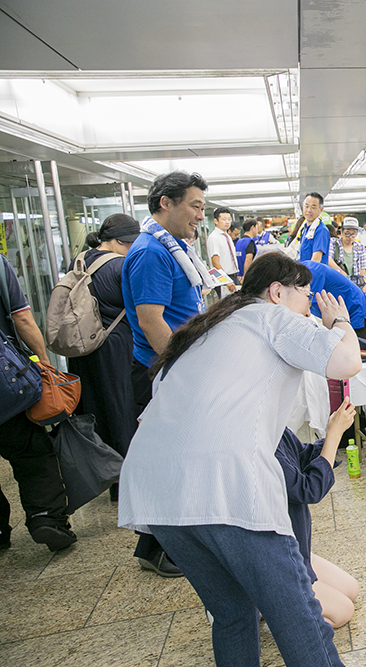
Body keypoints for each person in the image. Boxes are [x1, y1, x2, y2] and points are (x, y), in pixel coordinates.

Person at [117, 252, 360, 667]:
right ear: (277, 291)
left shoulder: (206, 330)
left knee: (231, 616)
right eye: (305, 292)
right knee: (300, 619)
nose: (310, 301)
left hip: (156, 489)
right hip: (226, 486)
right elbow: (347, 362)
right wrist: (340, 322)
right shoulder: (272, 317)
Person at [122, 169, 210, 577]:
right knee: (171, 461)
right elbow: (150, 320)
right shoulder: (151, 253)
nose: (200, 215)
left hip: (174, 365)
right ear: (166, 203)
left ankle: (159, 543)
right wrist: (179, 369)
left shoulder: (172, 248)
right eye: (194, 206)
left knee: (178, 459)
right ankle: (156, 548)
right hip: (161, 371)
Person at [0, 254, 76, 553]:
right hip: (5, 387)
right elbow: (21, 317)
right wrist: (43, 362)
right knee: (31, 453)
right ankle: (46, 517)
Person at [67, 214, 141, 503]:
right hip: (116, 348)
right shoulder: (120, 266)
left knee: (97, 410)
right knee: (122, 410)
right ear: (124, 241)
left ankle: (108, 475)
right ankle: (126, 481)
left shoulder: (80, 261)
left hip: (85, 350)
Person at [275, 412, 360, 629]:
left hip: (294, 546)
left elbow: (302, 456)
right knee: (342, 612)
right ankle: (266, 604)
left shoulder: (274, 425)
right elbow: (308, 489)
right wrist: (334, 433)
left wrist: (336, 433)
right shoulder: (260, 442)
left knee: (351, 589)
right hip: (276, 557)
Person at [303, 259, 366, 340]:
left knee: (351, 350)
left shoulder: (312, 272)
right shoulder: (303, 272)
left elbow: (304, 308)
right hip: (343, 319)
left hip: (359, 316)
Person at [207, 207, 239, 296]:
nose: (227, 222)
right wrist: (226, 280)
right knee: (228, 307)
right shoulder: (214, 237)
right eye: (224, 219)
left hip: (233, 276)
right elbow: (215, 263)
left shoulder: (227, 236)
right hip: (224, 279)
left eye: (229, 219)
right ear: (216, 221)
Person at [328, 216, 366, 285]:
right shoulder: (333, 243)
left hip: (354, 285)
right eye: (347, 233)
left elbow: (362, 270)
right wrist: (341, 272)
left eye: (354, 234)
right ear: (341, 231)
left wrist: (362, 286)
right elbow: (329, 260)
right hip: (336, 283)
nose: (350, 237)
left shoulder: (360, 247)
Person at [296, 193, 331, 263]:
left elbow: (316, 260)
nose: (309, 210)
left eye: (313, 207)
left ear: (321, 210)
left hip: (313, 273)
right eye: (306, 206)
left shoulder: (321, 230)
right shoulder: (304, 229)